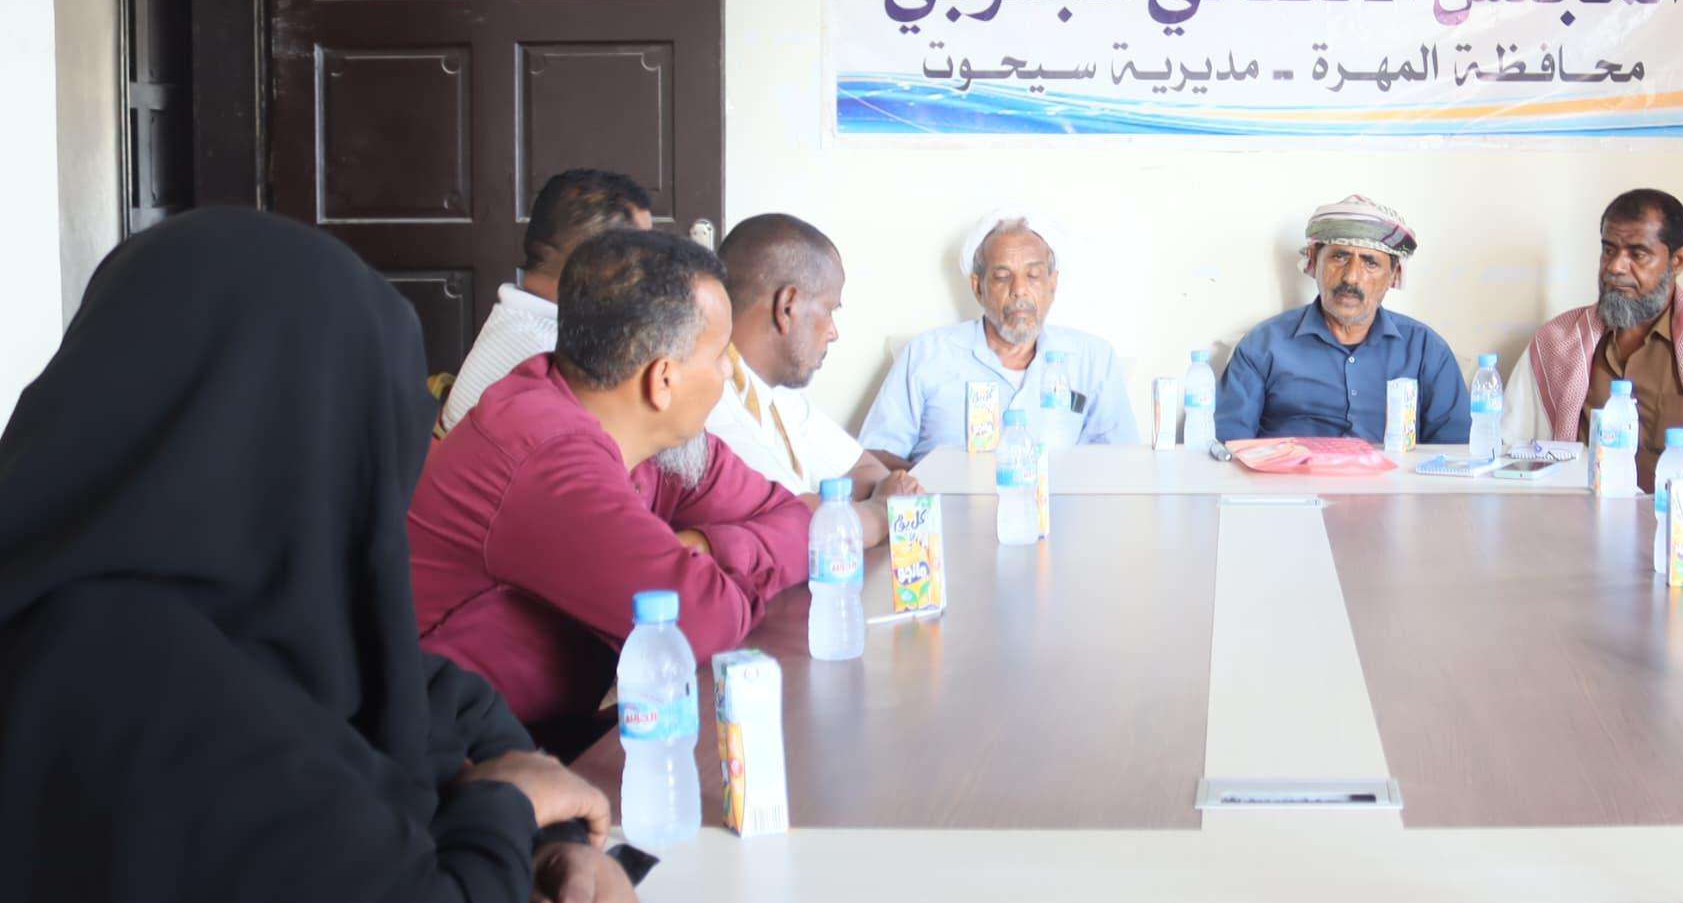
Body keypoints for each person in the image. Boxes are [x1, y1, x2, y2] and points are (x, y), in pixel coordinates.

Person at [0, 210, 638, 903]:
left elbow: (436, 707)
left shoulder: (198, 611)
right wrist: (505, 810)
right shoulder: (125, 674)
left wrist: (548, 847)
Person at [411, 229, 811, 755]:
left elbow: (796, 518)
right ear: (663, 379)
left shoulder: (658, 438)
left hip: (547, 736)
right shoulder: (544, 451)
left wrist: (709, 547)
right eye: (719, 357)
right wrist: (714, 564)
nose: (726, 376)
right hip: (447, 760)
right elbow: (699, 622)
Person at [1502, 189, 1683, 532]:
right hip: (1570, 535)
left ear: (1677, 261)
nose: (1615, 267)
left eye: (1638, 254)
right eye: (1609, 250)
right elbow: (1507, 451)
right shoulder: (1557, 343)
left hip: (1680, 539)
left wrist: (1675, 488)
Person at [859, 211, 1140, 467]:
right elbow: (872, 459)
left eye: (1033, 275)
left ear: (1052, 285)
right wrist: (931, 483)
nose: (1019, 290)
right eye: (1003, 277)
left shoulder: (1093, 359)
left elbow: (1123, 462)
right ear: (977, 287)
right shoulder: (926, 354)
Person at [705, 213, 919, 534]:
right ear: (787, 307)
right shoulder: (711, 401)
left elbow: (866, 470)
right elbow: (799, 527)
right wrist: (876, 510)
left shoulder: (777, 391)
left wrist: (830, 507)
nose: (833, 332)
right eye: (829, 310)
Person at [1217, 194, 1467, 444]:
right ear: (1314, 261)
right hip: (1289, 470)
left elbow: (1456, 451)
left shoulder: (1426, 350)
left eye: (1370, 263)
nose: (1351, 277)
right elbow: (1226, 445)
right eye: (1340, 257)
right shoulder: (1263, 345)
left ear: (1393, 275)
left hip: (1393, 471)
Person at [440, 168, 653, 435]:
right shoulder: (549, 354)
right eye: (643, 260)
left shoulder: (521, 323)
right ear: (598, 268)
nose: (650, 276)